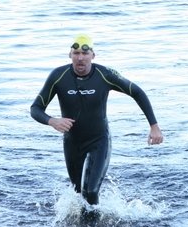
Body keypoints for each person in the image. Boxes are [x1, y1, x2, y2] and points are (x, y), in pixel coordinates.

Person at [30, 34, 163, 210]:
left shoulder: (104, 74)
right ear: (69, 55)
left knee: (91, 192)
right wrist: (52, 120)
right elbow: (36, 108)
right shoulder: (58, 76)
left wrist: (154, 126)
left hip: (99, 140)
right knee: (78, 193)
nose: (80, 58)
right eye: (76, 53)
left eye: (85, 53)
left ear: (93, 55)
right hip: (72, 143)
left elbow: (137, 92)